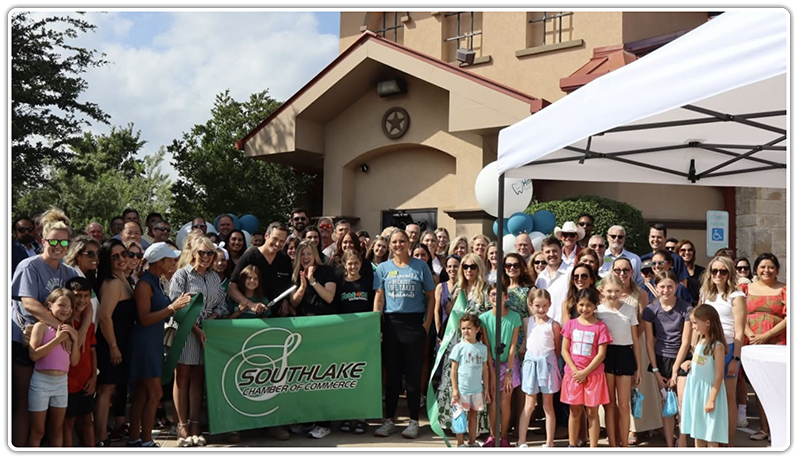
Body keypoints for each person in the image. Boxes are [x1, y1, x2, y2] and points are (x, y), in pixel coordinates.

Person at [11, 208, 86, 447]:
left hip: (56, 349)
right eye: (53, 241)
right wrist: (62, 328)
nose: (58, 246)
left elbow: (88, 303)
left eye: (63, 242)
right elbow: (29, 303)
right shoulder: (29, 266)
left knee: (54, 420)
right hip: (25, 340)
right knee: (23, 404)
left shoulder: (69, 271)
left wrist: (78, 335)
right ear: (43, 240)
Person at [373, 229, 436, 439]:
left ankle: (413, 421)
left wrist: (426, 325)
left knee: (413, 376)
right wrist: (376, 324)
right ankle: (389, 420)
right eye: (394, 242)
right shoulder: (383, 268)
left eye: (402, 241)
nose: (398, 245)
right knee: (391, 375)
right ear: (390, 245)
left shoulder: (420, 266)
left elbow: (431, 296)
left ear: (409, 243)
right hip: (391, 324)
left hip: (414, 325)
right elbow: (379, 298)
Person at [127, 242, 191, 448]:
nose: (174, 263)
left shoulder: (156, 282)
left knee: (143, 394)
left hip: (152, 342)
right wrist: (173, 307)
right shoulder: (145, 284)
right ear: (159, 262)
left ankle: (136, 439)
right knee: (155, 394)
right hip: (144, 344)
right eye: (170, 259)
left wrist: (176, 306)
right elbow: (145, 318)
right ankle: (146, 440)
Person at [169, 236, 228, 447]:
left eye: (210, 253)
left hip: (206, 331)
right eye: (202, 252)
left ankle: (195, 425)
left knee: (198, 379)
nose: (205, 256)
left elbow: (222, 305)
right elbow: (176, 306)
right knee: (182, 377)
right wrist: (195, 328)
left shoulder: (214, 277)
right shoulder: (182, 275)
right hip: (185, 331)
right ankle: (181, 425)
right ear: (194, 253)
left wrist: (211, 319)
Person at [434, 253, 491, 435]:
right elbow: (450, 314)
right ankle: (455, 425)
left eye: (472, 267)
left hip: (476, 342)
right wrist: (454, 300)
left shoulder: (485, 290)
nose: (468, 270)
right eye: (465, 266)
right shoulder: (458, 288)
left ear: (479, 268)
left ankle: (475, 429)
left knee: (475, 380)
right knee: (453, 380)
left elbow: (489, 315)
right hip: (457, 342)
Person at [610, 257, 662, 445]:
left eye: (626, 270)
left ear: (632, 272)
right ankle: (615, 425)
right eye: (618, 270)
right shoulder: (607, 292)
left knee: (638, 385)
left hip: (635, 341)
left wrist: (631, 341)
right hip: (614, 345)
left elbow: (642, 320)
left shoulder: (640, 293)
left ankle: (636, 426)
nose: (622, 274)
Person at [696, 255, 746, 446]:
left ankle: (728, 442)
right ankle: (711, 438)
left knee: (728, 398)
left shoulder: (736, 296)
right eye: (715, 270)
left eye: (723, 271)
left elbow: (740, 331)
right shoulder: (705, 294)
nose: (718, 274)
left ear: (729, 273)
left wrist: (735, 358)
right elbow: (697, 321)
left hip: (727, 349)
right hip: (706, 349)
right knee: (707, 395)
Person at [93, 238, 138, 447]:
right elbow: (104, 317)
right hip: (110, 344)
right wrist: (113, 346)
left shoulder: (124, 279)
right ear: (106, 260)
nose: (121, 259)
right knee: (106, 389)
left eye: (124, 254)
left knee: (113, 388)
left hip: (123, 342)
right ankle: (100, 437)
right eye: (115, 256)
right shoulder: (111, 283)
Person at [642, 270, 693, 448]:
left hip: (681, 359)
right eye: (662, 286)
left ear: (676, 287)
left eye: (670, 286)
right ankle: (670, 444)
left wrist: (675, 370)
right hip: (661, 359)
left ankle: (682, 441)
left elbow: (686, 341)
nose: (666, 290)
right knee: (667, 403)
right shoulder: (650, 310)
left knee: (682, 403)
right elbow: (649, 341)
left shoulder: (686, 308)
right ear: (656, 287)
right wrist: (656, 370)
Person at [740, 252, 786, 442]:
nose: (767, 270)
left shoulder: (784, 289)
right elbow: (738, 313)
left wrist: (766, 335)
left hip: (777, 342)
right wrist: (751, 335)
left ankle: (780, 428)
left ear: (777, 270)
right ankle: (764, 427)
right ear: (756, 269)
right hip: (750, 342)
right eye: (763, 267)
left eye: (771, 267)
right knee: (760, 384)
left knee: (777, 384)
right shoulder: (744, 289)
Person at [27, 288, 81, 447]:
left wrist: (75, 339)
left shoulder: (69, 330)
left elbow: (74, 361)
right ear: (50, 305)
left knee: (57, 430)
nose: (66, 310)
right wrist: (57, 340)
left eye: (69, 307)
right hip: (41, 382)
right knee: (38, 431)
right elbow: (34, 355)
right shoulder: (41, 327)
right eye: (61, 305)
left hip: (61, 383)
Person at [560, 288, 612, 448]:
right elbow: (564, 350)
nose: (585, 308)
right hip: (573, 375)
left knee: (592, 412)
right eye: (581, 305)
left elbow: (601, 354)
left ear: (595, 305)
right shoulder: (570, 324)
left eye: (589, 305)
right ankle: (572, 444)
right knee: (574, 411)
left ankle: (593, 446)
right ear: (576, 305)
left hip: (594, 375)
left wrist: (585, 372)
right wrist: (575, 371)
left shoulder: (601, 327)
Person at [596, 275, 642, 447]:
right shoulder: (598, 311)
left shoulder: (630, 310)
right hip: (606, 355)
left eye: (616, 291)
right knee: (609, 404)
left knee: (623, 404)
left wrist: (638, 368)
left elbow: (635, 340)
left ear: (623, 291)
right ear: (602, 291)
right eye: (609, 291)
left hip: (625, 354)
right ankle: (613, 443)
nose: (613, 294)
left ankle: (624, 444)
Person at [335, 249, 374, 435]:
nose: (353, 266)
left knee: (362, 376)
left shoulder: (367, 282)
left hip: (364, 336)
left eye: (356, 263)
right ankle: (345, 415)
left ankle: (360, 417)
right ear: (344, 264)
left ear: (361, 264)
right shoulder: (340, 284)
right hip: (344, 337)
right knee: (345, 376)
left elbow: (374, 306)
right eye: (349, 263)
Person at [516, 289, 561, 448]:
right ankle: (521, 440)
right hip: (531, 365)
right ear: (531, 305)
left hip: (547, 365)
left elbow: (556, 348)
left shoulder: (554, 325)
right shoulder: (527, 321)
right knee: (529, 404)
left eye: (544, 306)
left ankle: (549, 442)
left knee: (548, 405)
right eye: (537, 306)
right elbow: (527, 339)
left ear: (549, 305)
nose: (541, 309)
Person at [679, 304, 729, 447]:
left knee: (711, 434)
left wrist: (711, 399)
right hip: (696, 393)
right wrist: (691, 362)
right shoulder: (699, 342)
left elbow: (719, 375)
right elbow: (703, 360)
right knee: (698, 432)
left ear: (707, 323)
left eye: (695, 323)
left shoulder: (717, 346)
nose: (693, 326)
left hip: (709, 393)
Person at [480, 282, 522, 448]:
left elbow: (513, 345)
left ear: (506, 297)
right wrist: (491, 372)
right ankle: (493, 436)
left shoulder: (515, 317)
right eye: (493, 294)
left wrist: (509, 372)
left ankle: (503, 436)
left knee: (505, 401)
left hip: (509, 363)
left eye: (500, 294)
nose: (496, 297)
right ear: (488, 297)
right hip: (492, 363)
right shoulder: (484, 318)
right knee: (493, 400)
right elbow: (487, 346)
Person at [62, 277, 98, 447]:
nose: (82, 300)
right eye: (77, 295)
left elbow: (92, 351)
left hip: (86, 380)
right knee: (68, 422)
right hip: (67, 382)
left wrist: (94, 377)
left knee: (87, 420)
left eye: (85, 296)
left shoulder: (88, 324)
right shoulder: (62, 324)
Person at [449, 314, 491, 448]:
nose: (466, 331)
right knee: (459, 415)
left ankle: (472, 441)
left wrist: (486, 388)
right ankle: (460, 443)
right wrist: (455, 389)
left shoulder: (482, 348)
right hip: (462, 389)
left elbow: (485, 370)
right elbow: (453, 370)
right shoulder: (458, 347)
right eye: (463, 328)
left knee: (473, 415)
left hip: (477, 389)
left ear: (477, 329)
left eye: (469, 328)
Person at [63, 235, 101, 324]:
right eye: (91, 254)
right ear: (78, 256)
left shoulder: (91, 276)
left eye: (98, 253)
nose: (96, 257)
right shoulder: (70, 275)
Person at [534, 237, 570, 327]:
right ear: (543, 254)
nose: (551, 254)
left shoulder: (571, 273)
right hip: (544, 328)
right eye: (547, 252)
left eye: (554, 251)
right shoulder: (541, 277)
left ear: (561, 251)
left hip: (564, 328)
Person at [640, 224, 689, 288]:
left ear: (665, 239)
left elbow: (683, 285)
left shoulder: (676, 259)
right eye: (653, 236)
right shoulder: (643, 259)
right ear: (649, 237)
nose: (655, 240)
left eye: (659, 237)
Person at [561, 263, 600, 329]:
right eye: (576, 277)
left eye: (584, 276)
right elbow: (567, 329)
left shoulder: (601, 300)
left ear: (591, 280)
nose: (579, 279)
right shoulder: (567, 303)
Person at [434, 254, 461, 340]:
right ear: (446, 269)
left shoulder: (464, 287)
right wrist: (439, 331)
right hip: (444, 330)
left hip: (460, 330)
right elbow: (437, 311)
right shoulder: (440, 287)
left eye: (455, 266)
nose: (452, 269)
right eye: (449, 266)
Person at [675, 239, 704, 306]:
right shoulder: (674, 271)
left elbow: (704, 291)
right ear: (677, 252)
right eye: (683, 250)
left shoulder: (702, 271)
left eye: (690, 250)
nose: (687, 252)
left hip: (697, 306)